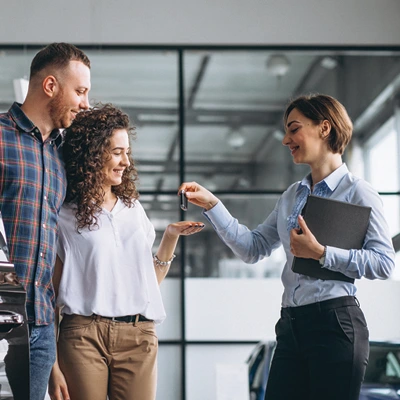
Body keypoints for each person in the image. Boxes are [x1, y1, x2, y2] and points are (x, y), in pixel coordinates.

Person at [178, 94, 395, 400]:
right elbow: (253, 248)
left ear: (324, 128)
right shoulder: (292, 196)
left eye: (294, 129)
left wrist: (321, 252)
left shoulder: (358, 192)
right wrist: (213, 205)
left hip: (335, 325)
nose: (285, 139)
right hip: (291, 325)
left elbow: (384, 263)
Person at [48, 104, 204, 400]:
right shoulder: (64, 215)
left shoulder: (134, 211)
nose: (126, 161)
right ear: (92, 154)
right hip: (83, 335)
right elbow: (51, 296)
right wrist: (52, 365)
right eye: (117, 152)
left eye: (127, 152)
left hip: (138, 334)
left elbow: (148, 284)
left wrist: (170, 237)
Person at [0, 43, 91, 400]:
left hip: (38, 327)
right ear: (50, 86)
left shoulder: (61, 157)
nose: (85, 102)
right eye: (80, 91)